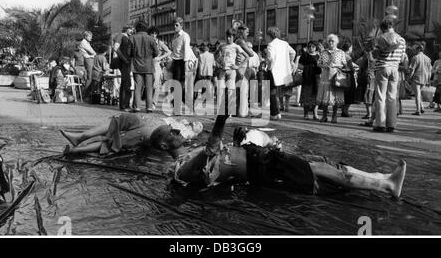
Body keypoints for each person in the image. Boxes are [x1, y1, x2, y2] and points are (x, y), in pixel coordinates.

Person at [171, 115, 407, 199]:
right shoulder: (183, 170)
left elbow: (217, 155)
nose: (179, 133)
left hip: (264, 160)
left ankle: (380, 176)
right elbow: (211, 150)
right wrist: (220, 121)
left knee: (322, 165)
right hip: (264, 167)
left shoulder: (186, 160)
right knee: (320, 170)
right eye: (175, 135)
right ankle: (386, 185)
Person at [60, 113, 203, 158]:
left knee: (113, 142)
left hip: (146, 134)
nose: (195, 124)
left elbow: (176, 150)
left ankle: (76, 149)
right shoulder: (182, 124)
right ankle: (81, 136)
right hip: (143, 121)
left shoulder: (186, 135)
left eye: (197, 126)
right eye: (196, 123)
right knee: (116, 122)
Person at [372, 18, 406, 133]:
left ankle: (380, 124)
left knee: (381, 96)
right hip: (395, 69)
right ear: (392, 26)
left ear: (382, 28)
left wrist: (374, 50)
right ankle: (391, 124)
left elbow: (376, 54)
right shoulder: (401, 39)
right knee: (392, 97)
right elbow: (402, 58)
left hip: (382, 67)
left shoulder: (381, 38)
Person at [214, 28, 249, 115]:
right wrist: (217, 62)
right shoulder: (222, 46)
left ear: (234, 37)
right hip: (222, 71)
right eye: (227, 36)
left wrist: (238, 66)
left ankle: (230, 113)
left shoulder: (236, 46)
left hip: (231, 71)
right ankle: (220, 112)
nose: (228, 38)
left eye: (230, 37)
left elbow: (247, 57)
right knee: (220, 91)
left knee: (231, 91)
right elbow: (215, 54)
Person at [265, 27, 296, 120]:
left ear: (269, 35)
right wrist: (289, 62)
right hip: (282, 70)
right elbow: (293, 52)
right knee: (277, 92)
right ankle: (277, 112)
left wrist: (269, 65)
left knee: (271, 92)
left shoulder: (270, 45)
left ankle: (274, 113)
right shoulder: (284, 43)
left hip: (273, 70)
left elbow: (270, 58)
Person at [316, 34, 348, 124]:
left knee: (336, 97)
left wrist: (335, 65)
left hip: (336, 76)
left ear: (336, 42)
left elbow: (344, 65)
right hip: (325, 76)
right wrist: (325, 65)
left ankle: (334, 116)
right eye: (329, 41)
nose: (330, 42)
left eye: (332, 41)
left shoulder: (341, 52)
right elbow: (318, 63)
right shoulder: (324, 52)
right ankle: (324, 116)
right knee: (325, 97)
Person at [130, 21, 159, 113]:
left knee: (138, 87)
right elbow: (156, 53)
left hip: (136, 66)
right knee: (149, 87)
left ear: (137, 28)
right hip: (148, 66)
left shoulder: (132, 38)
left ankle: (137, 107)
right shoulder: (151, 39)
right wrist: (150, 57)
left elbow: (128, 52)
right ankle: (149, 107)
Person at [171, 17, 193, 109]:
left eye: (177, 25)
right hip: (175, 62)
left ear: (181, 25)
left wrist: (186, 63)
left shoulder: (185, 36)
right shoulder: (175, 36)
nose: (175, 27)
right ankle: (183, 102)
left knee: (180, 84)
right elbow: (174, 51)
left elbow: (187, 50)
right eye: (174, 25)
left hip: (182, 62)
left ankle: (179, 103)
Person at [148, 26, 172, 110]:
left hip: (156, 64)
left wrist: (160, 58)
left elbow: (169, 52)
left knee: (156, 85)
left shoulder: (160, 43)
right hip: (147, 64)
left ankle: (153, 103)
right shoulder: (147, 42)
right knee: (148, 84)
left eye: (155, 33)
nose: (154, 35)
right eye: (152, 33)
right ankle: (149, 103)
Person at [235, 26, 255, 117]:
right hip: (242, 67)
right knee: (243, 90)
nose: (248, 34)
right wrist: (249, 48)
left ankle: (239, 111)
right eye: (246, 32)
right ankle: (242, 112)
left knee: (240, 90)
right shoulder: (241, 41)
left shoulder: (238, 41)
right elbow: (251, 54)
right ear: (241, 32)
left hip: (241, 67)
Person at [408, 42, 432, 116]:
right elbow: (429, 70)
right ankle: (421, 108)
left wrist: (409, 78)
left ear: (418, 50)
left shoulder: (415, 58)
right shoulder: (428, 58)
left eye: (414, 49)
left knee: (417, 94)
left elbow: (412, 69)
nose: (414, 51)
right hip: (424, 78)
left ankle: (418, 110)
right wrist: (428, 80)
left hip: (416, 78)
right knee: (419, 93)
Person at [299, 41, 321, 120]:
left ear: (316, 47)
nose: (311, 48)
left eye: (313, 46)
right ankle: (306, 114)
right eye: (309, 46)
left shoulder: (319, 56)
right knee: (306, 96)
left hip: (317, 78)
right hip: (307, 78)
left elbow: (322, 65)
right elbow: (299, 65)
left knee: (316, 97)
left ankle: (315, 113)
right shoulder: (304, 55)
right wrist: (308, 68)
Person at [114, 25, 134, 112]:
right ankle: (124, 105)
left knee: (125, 83)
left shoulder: (127, 37)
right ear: (126, 29)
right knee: (126, 83)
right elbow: (115, 48)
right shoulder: (121, 36)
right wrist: (124, 58)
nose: (132, 31)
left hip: (127, 62)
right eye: (130, 29)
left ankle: (124, 105)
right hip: (124, 62)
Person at [340, 41, 358, 118]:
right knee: (349, 94)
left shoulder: (339, 54)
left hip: (341, 75)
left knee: (343, 94)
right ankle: (345, 111)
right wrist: (355, 70)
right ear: (349, 48)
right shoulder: (348, 56)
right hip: (348, 76)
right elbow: (351, 67)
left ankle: (343, 110)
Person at [78, 31, 97, 100]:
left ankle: (87, 95)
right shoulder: (84, 42)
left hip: (90, 59)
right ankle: (85, 96)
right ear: (85, 36)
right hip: (88, 59)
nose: (91, 38)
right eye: (90, 36)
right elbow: (91, 51)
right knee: (89, 78)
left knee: (90, 78)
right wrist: (96, 55)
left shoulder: (87, 42)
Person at [397, 52, 409, 116]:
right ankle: (399, 110)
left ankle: (398, 110)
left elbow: (405, 67)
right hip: (396, 77)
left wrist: (395, 65)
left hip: (399, 78)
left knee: (397, 95)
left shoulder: (403, 55)